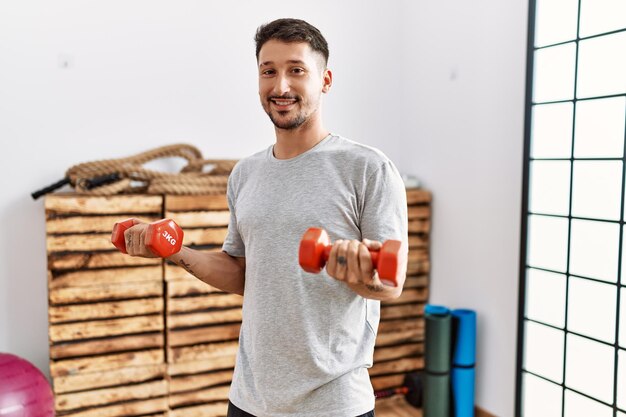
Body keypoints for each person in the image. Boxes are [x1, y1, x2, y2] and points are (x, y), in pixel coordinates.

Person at [121, 18, 408, 417]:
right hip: (250, 398)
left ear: (325, 80)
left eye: (296, 70)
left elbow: (390, 284)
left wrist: (363, 278)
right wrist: (174, 251)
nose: (281, 86)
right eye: (268, 71)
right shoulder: (246, 174)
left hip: (332, 403)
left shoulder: (367, 168)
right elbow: (241, 273)